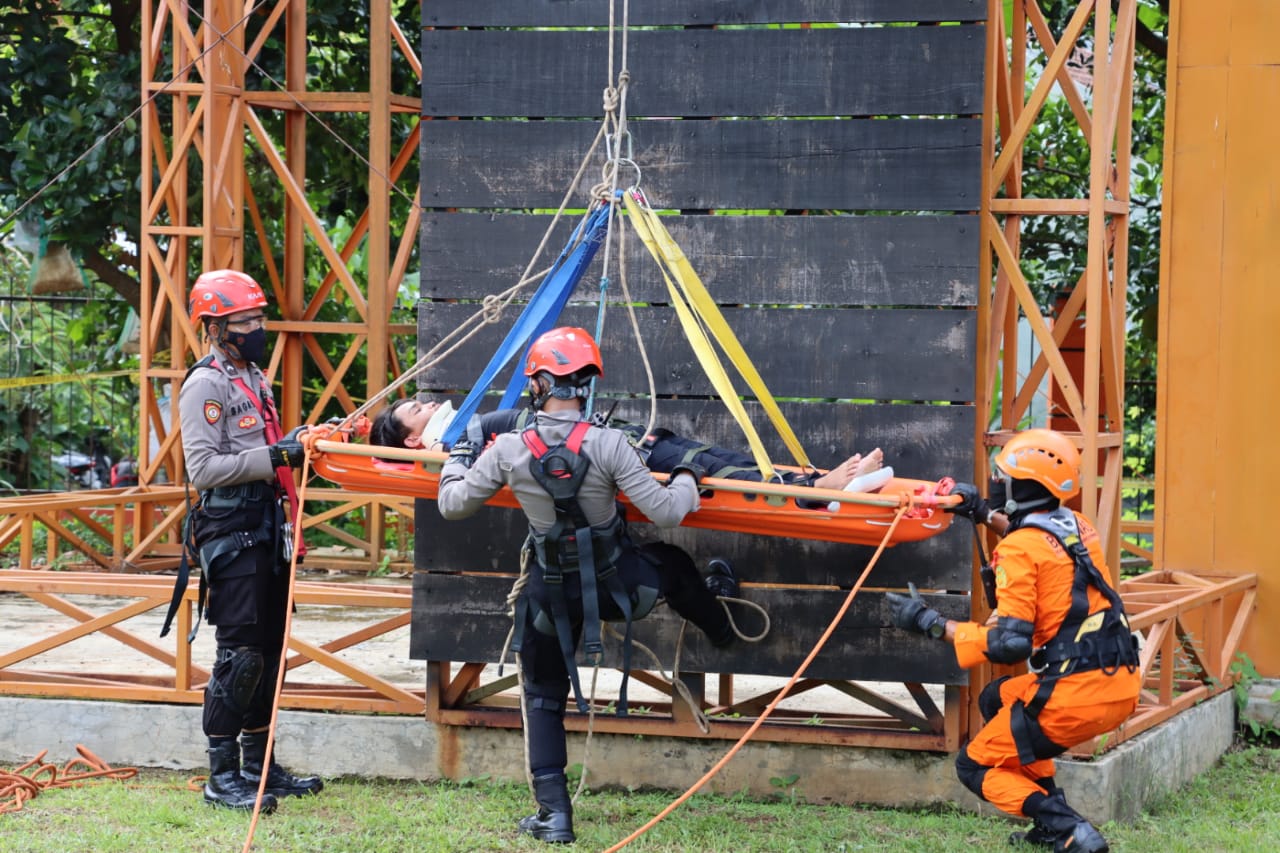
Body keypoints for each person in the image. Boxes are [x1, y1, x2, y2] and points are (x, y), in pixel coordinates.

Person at [436, 326, 740, 844]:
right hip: (621, 587)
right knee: (671, 562)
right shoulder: (610, 444)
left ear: (539, 385)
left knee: (542, 695)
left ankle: (554, 816)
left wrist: (455, 462)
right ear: (586, 386)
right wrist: (688, 474)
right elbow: (665, 512)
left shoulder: (509, 448)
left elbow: (452, 504)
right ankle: (722, 628)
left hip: (547, 597)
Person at [886, 429, 1139, 853]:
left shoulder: (1021, 548)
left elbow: (1010, 646)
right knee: (997, 698)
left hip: (1074, 696)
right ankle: (1051, 826)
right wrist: (983, 513)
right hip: (1118, 684)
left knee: (971, 765)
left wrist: (930, 622)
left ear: (1023, 486)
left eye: (1003, 477)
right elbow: (1040, 541)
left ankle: (1070, 828)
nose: (997, 482)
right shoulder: (1079, 527)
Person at [175, 269, 324, 812]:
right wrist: (278, 456)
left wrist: (302, 443)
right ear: (215, 327)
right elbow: (205, 468)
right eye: (245, 322)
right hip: (231, 533)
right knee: (240, 656)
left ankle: (261, 767)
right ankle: (222, 776)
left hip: (267, 525)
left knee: (269, 651)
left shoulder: (254, 377)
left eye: (259, 320)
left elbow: (265, 448)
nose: (256, 329)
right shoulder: (206, 384)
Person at [370, 396, 886, 495]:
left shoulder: (478, 428)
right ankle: (818, 492)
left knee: (725, 460)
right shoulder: (461, 446)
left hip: (624, 441)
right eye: (415, 408)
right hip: (615, 460)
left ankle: (818, 482)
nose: (427, 400)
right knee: (714, 474)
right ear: (415, 438)